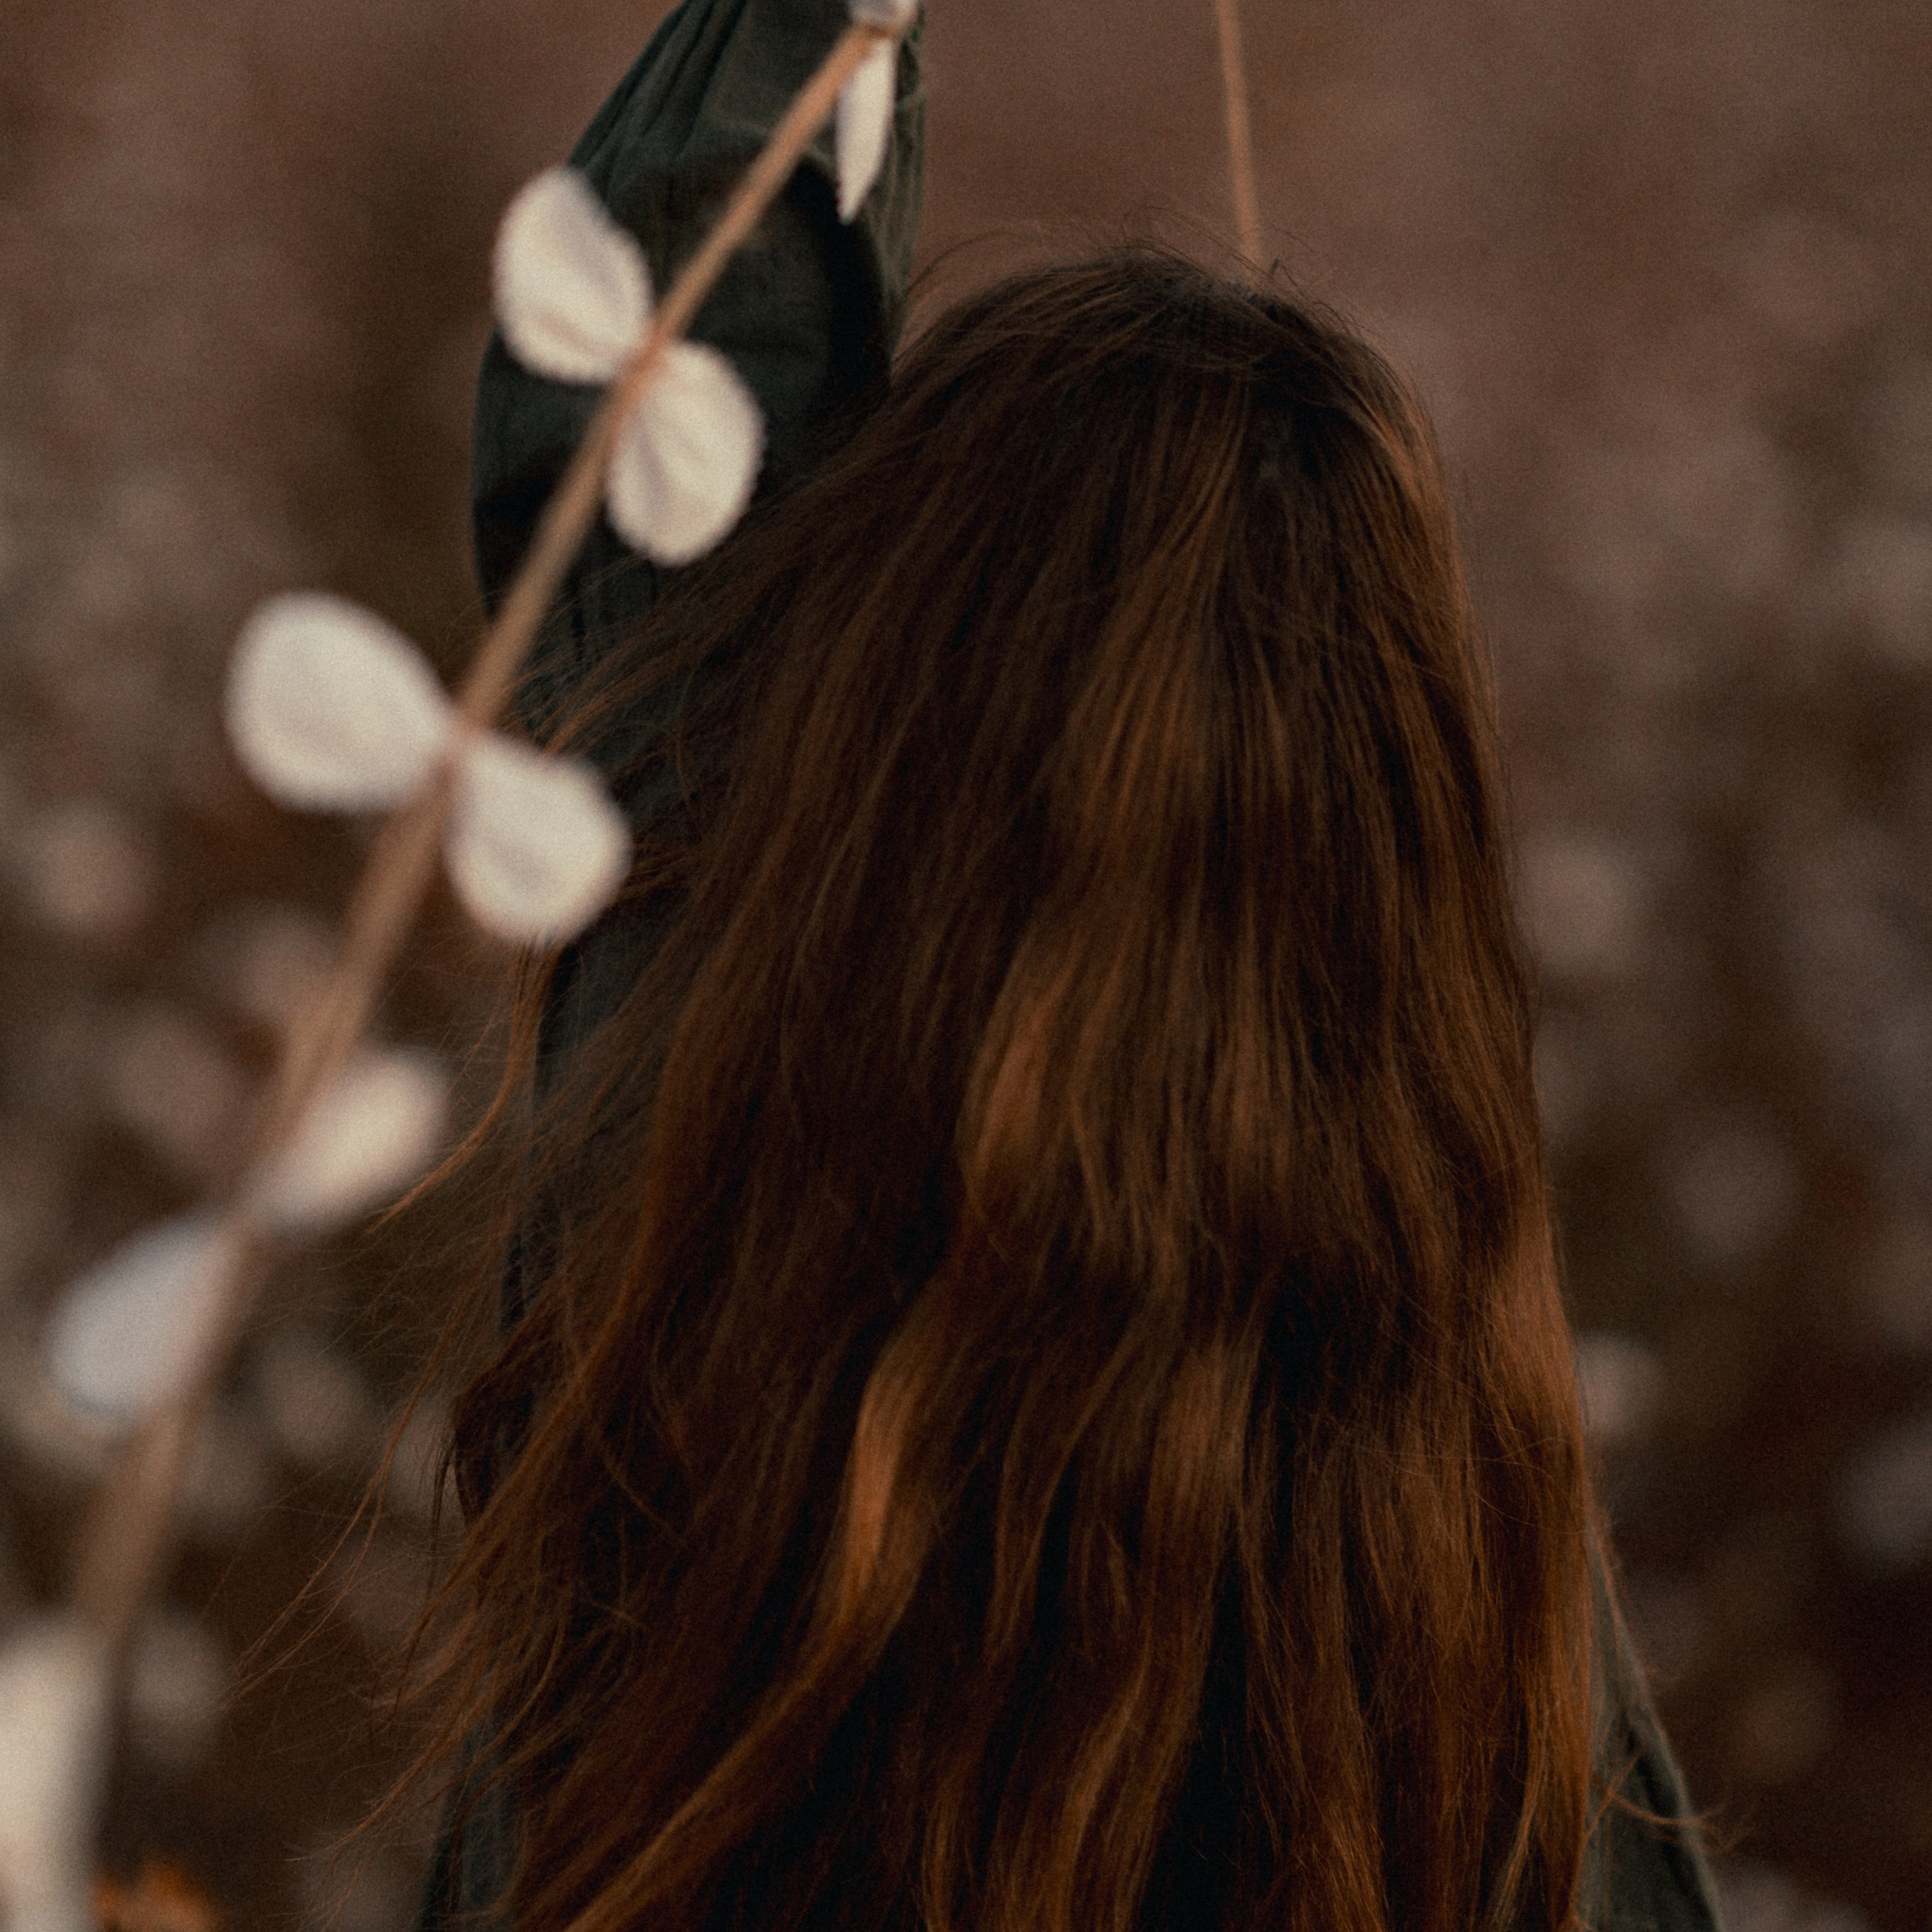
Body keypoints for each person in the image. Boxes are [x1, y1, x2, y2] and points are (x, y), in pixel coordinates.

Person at [410, 2, 1725, 1927]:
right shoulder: (1470, 1557)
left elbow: (647, 393)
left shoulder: (692, 1118)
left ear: (868, 700)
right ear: (1406, 831)